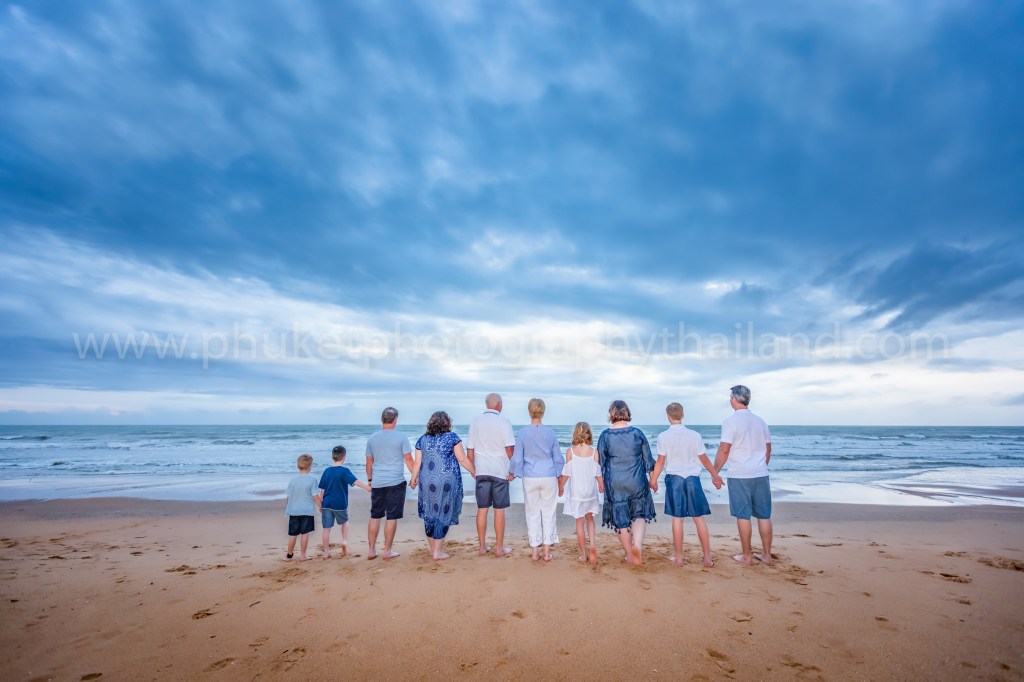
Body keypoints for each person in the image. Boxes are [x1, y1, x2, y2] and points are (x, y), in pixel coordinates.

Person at [649, 402, 722, 568]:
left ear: (668, 416)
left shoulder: (663, 436)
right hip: (692, 479)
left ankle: (679, 558)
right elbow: (703, 459)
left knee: (678, 519)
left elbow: (660, 461)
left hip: (674, 479)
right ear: (682, 415)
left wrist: (653, 480)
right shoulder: (694, 435)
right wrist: (715, 475)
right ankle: (707, 559)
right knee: (699, 519)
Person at [712, 385, 773, 566]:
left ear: (734, 399)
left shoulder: (731, 422)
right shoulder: (760, 421)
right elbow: (768, 449)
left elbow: (724, 450)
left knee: (743, 515)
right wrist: (760, 466)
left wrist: (715, 472)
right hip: (760, 474)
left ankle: (747, 556)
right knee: (764, 515)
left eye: (730, 397)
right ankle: (767, 555)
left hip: (739, 474)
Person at [597, 400, 656, 566]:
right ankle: (637, 546)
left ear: (612, 413)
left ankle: (630, 554)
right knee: (638, 515)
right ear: (627, 412)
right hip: (637, 480)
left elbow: (599, 463)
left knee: (620, 519)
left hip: (615, 482)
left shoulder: (605, 436)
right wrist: (653, 479)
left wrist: (599, 482)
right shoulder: (637, 433)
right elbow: (648, 460)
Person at [411, 411, 476, 560]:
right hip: (447, 481)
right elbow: (463, 459)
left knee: (429, 513)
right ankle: (437, 552)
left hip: (427, 482)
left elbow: (417, 463)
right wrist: (474, 472)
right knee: (443, 513)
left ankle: (434, 549)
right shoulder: (452, 438)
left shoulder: (422, 440)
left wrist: (413, 479)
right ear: (447, 423)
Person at [510, 398, 564, 561]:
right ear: (543, 412)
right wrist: (560, 480)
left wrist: (512, 472)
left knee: (532, 513)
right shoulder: (551, 433)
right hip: (548, 476)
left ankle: (535, 552)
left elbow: (517, 458)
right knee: (548, 513)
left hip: (530, 477)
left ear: (529, 411)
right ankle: (547, 552)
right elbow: (558, 459)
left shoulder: (523, 433)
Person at [466, 393, 516, 557]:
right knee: (499, 510)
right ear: (499, 405)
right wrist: (513, 469)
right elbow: (509, 449)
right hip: (499, 470)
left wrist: (473, 468)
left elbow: (470, 449)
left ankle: (482, 546)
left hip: (482, 469)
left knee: (482, 508)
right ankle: (499, 548)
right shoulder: (504, 421)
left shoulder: (475, 421)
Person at [365, 407, 414, 560]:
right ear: (395, 420)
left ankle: (371, 550)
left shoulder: (372, 438)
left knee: (375, 516)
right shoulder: (401, 437)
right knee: (391, 517)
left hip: (378, 482)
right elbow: (408, 459)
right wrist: (415, 476)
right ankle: (387, 551)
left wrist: (370, 480)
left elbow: (369, 463)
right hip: (395, 482)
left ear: (382, 419)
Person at [558, 421, 603, 564]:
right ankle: (593, 547)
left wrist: (561, 486)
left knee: (579, 522)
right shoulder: (594, 452)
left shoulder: (570, 452)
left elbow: (567, 473)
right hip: (590, 491)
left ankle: (583, 554)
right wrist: (601, 485)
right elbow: (597, 473)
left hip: (577, 493)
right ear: (589, 434)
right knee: (590, 519)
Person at [319, 445, 372, 559]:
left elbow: (322, 489)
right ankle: (344, 542)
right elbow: (355, 481)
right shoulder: (344, 471)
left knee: (326, 528)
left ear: (332, 457)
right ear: (344, 457)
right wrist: (367, 488)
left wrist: (321, 503)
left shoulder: (327, 471)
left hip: (327, 503)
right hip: (340, 503)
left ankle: (326, 552)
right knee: (345, 523)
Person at [284, 453, 321, 562]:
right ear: (310, 467)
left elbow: (288, 497)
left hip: (294, 511)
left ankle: (289, 555)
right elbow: (315, 496)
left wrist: (289, 507)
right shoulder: (312, 480)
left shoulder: (293, 480)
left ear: (297, 466)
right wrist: (321, 506)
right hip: (306, 511)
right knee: (304, 533)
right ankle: (303, 555)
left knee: (293, 534)